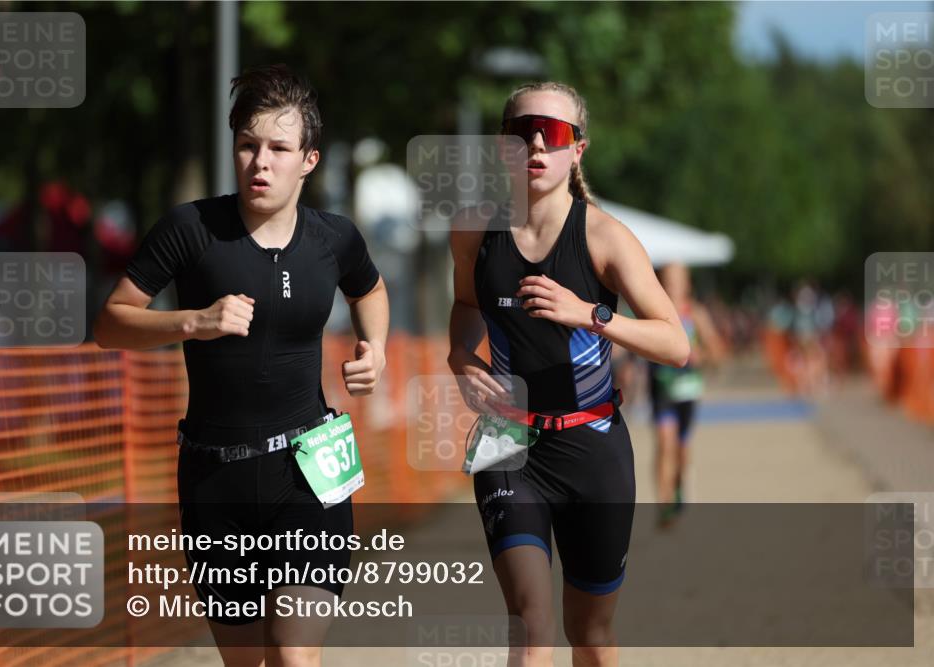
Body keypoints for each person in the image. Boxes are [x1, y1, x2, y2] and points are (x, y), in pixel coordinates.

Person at [93, 64, 389, 667]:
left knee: (292, 655)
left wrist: (374, 349)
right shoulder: (190, 230)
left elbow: (371, 290)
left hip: (311, 470)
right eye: (248, 146)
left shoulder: (335, 238)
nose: (260, 162)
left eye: (278, 148)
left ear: (308, 159)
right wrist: (194, 321)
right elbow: (111, 324)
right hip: (214, 477)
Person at [448, 82, 690, 667]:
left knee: (591, 634)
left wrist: (593, 315)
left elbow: (676, 343)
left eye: (552, 133)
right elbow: (464, 308)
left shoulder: (605, 238)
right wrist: (460, 360)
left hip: (593, 448)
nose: (536, 142)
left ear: (577, 149)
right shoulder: (474, 232)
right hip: (507, 443)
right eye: (522, 130)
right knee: (531, 624)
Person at [647, 262, 725, 528]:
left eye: (677, 280)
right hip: (661, 387)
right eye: (667, 280)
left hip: (687, 389)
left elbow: (717, 352)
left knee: (681, 449)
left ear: (686, 283)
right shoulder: (652, 309)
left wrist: (700, 355)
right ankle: (664, 503)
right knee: (664, 442)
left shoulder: (696, 313)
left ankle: (678, 486)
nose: (672, 285)